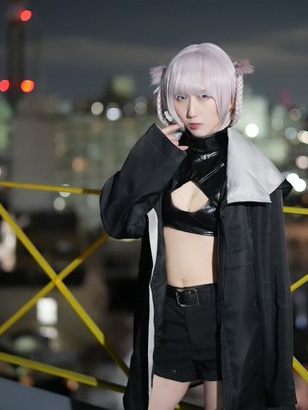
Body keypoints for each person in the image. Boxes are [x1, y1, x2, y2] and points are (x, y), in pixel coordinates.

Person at [100, 43, 296, 409]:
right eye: (181, 97)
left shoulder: (251, 173)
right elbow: (119, 221)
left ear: (229, 98)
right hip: (168, 312)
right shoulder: (166, 158)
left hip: (222, 319)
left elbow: (271, 278)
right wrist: (152, 153)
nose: (191, 110)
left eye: (205, 96)